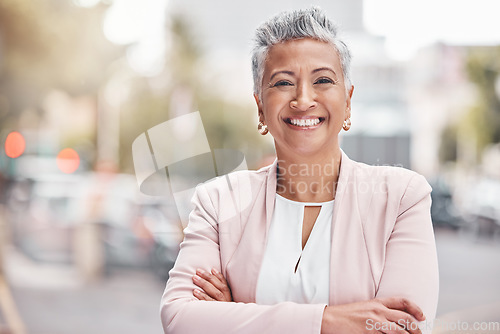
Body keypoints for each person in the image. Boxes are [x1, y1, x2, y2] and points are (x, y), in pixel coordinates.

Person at [160, 7, 438, 334]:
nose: (303, 99)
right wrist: (327, 321)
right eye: (283, 82)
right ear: (260, 106)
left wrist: (236, 314)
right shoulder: (219, 201)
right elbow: (180, 318)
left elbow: (403, 327)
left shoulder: (401, 197)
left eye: (322, 80)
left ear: (347, 101)